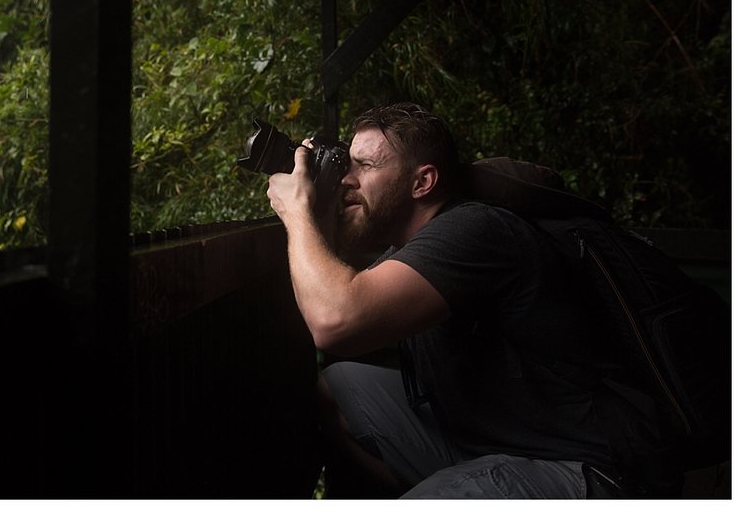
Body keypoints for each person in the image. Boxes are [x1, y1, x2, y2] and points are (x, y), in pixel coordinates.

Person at [266, 102, 662, 499]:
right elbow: (334, 280)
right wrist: (318, 204)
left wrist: (296, 209)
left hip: (585, 469)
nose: (347, 180)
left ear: (422, 182)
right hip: (492, 443)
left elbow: (334, 319)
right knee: (336, 390)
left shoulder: (475, 231)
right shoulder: (419, 245)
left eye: (365, 166)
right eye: (346, 165)